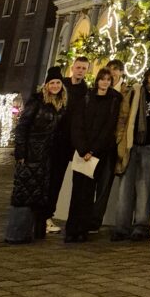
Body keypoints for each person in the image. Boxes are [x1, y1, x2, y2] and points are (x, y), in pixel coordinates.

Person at [5, 68, 67, 242]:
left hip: (47, 156)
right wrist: (21, 152)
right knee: (25, 192)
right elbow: (22, 127)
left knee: (37, 193)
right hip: (32, 153)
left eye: (58, 83)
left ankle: (31, 232)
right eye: (52, 83)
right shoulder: (37, 101)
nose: (55, 86)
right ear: (46, 85)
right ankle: (16, 234)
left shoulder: (61, 104)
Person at [110, 63, 150, 241]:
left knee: (144, 187)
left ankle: (141, 225)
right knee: (125, 187)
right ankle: (122, 227)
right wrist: (120, 139)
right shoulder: (135, 91)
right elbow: (124, 115)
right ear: (147, 73)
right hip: (132, 144)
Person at [65, 67, 119, 242]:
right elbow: (77, 124)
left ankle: (83, 229)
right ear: (97, 80)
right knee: (77, 191)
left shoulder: (113, 101)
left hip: (97, 153)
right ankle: (72, 229)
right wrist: (82, 149)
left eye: (108, 80)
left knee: (89, 192)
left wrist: (93, 150)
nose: (105, 82)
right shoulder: (86, 97)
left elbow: (108, 128)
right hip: (82, 152)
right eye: (102, 79)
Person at [46, 56, 88, 231]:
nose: (80, 71)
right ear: (73, 68)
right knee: (52, 179)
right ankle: (45, 216)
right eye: (78, 67)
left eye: (84, 68)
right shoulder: (61, 85)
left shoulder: (86, 90)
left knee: (62, 180)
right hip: (57, 138)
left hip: (72, 141)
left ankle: (51, 215)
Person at [89, 58, 125, 231]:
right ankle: (85, 217)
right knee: (89, 182)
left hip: (111, 145)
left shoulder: (124, 93)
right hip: (93, 145)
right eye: (111, 70)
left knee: (104, 185)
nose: (113, 73)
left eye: (116, 70)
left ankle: (95, 220)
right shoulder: (93, 94)